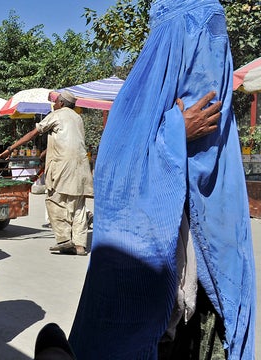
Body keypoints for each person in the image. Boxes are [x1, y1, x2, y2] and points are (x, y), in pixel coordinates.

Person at [68, 0, 256, 358]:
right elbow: (116, 177)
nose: (215, 51)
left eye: (221, 39)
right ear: (174, 43)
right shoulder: (135, 104)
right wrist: (174, 134)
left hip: (205, 281)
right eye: (204, 38)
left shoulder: (221, 118)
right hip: (147, 288)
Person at [0, 90, 94, 256]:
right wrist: (44, 154)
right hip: (81, 166)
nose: (54, 105)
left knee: (54, 200)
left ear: (62, 104)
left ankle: (65, 240)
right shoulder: (77, 118)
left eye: (56, 102)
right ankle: (80, 245)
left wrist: (10, 149)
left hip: (64, 167)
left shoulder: (57, 114)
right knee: (78, 206)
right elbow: (66, 140)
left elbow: (32, 134)